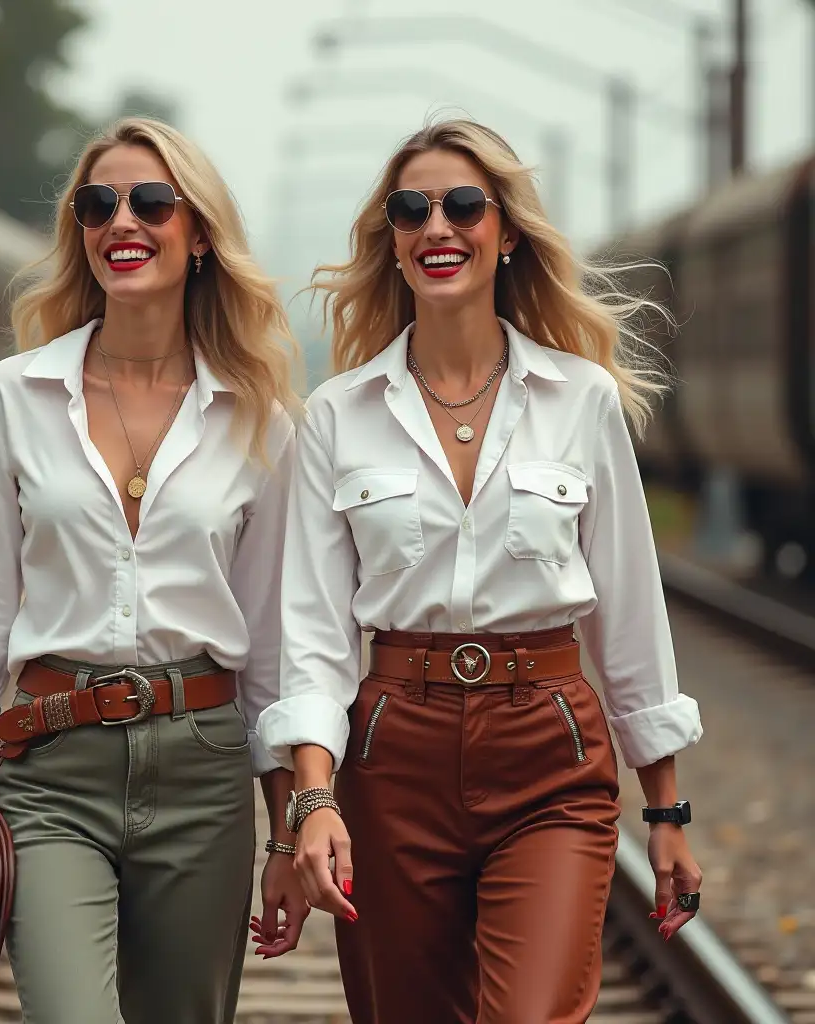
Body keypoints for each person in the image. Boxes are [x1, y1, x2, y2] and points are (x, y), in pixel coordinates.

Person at [256, 117, 704, 1024]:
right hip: (391, 756)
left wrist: (666, 813)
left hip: (549, 750)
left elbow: (629, 613)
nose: (437, 227)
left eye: (464, 205)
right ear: (390, 241)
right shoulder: (338, 417)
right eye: (410, 211)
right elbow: (311, 636)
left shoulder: (579, 400)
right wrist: (311, 801)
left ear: (505, 233)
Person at [0, 116, 309, 1024]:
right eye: (98, 204)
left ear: (198, 235)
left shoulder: (261, 418)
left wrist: (284, 831)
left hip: (203, 768)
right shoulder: (14, 395)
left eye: (153, 201)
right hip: (52, 764)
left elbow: (271, 647)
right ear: (79, 232)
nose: (125, 220)